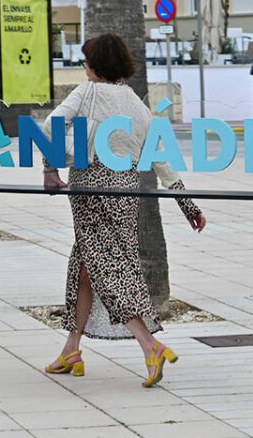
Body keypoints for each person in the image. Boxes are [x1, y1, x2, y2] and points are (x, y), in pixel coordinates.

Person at [41, 33, 207, 387]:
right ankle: (71, 348)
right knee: (87, 264)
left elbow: (51, 124)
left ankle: (150, 345)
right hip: (126, 190)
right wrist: (187, 204)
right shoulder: (136, 104)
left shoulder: (88, 92)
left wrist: (50, 170)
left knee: (105, 268)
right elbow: (160, 159)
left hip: (91, 185)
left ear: (95, 66)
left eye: (86, 63)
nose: (85, 69)